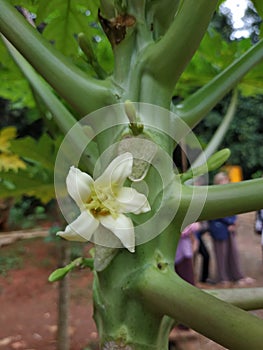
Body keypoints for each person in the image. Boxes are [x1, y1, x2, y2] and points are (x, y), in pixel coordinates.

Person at [209, 172, 254, 286]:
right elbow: (216, 212)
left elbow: (234, 208)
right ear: (217, 183)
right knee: (221, 254)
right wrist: (229, 222)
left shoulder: (229, 194)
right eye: (221, 181)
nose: (224, 182)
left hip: (230, 227)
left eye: (225, 180)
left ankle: (237, 276)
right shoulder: (214, 195)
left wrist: (233, 222)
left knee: (233, 253)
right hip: (219, 228)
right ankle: (223, 278)